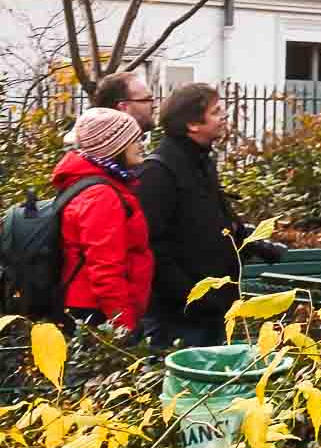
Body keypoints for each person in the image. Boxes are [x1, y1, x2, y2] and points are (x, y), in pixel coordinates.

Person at [137, 83, 244, 349]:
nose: (223, 117)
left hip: (214, 307)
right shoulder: (159, 171)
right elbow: (154, 247)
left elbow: (214, 220)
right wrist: (193, 297)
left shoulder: (201, 162)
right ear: (193, 124)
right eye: (216, 111)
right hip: (180, 317)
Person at [53, 106, 153, 335]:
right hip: (96, 315)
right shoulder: (101, 195)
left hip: (90, 309)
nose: (141, 144)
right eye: (134, 139)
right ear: (114, 146)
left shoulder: (96, 185)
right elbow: (105, 271)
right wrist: (124, 327)